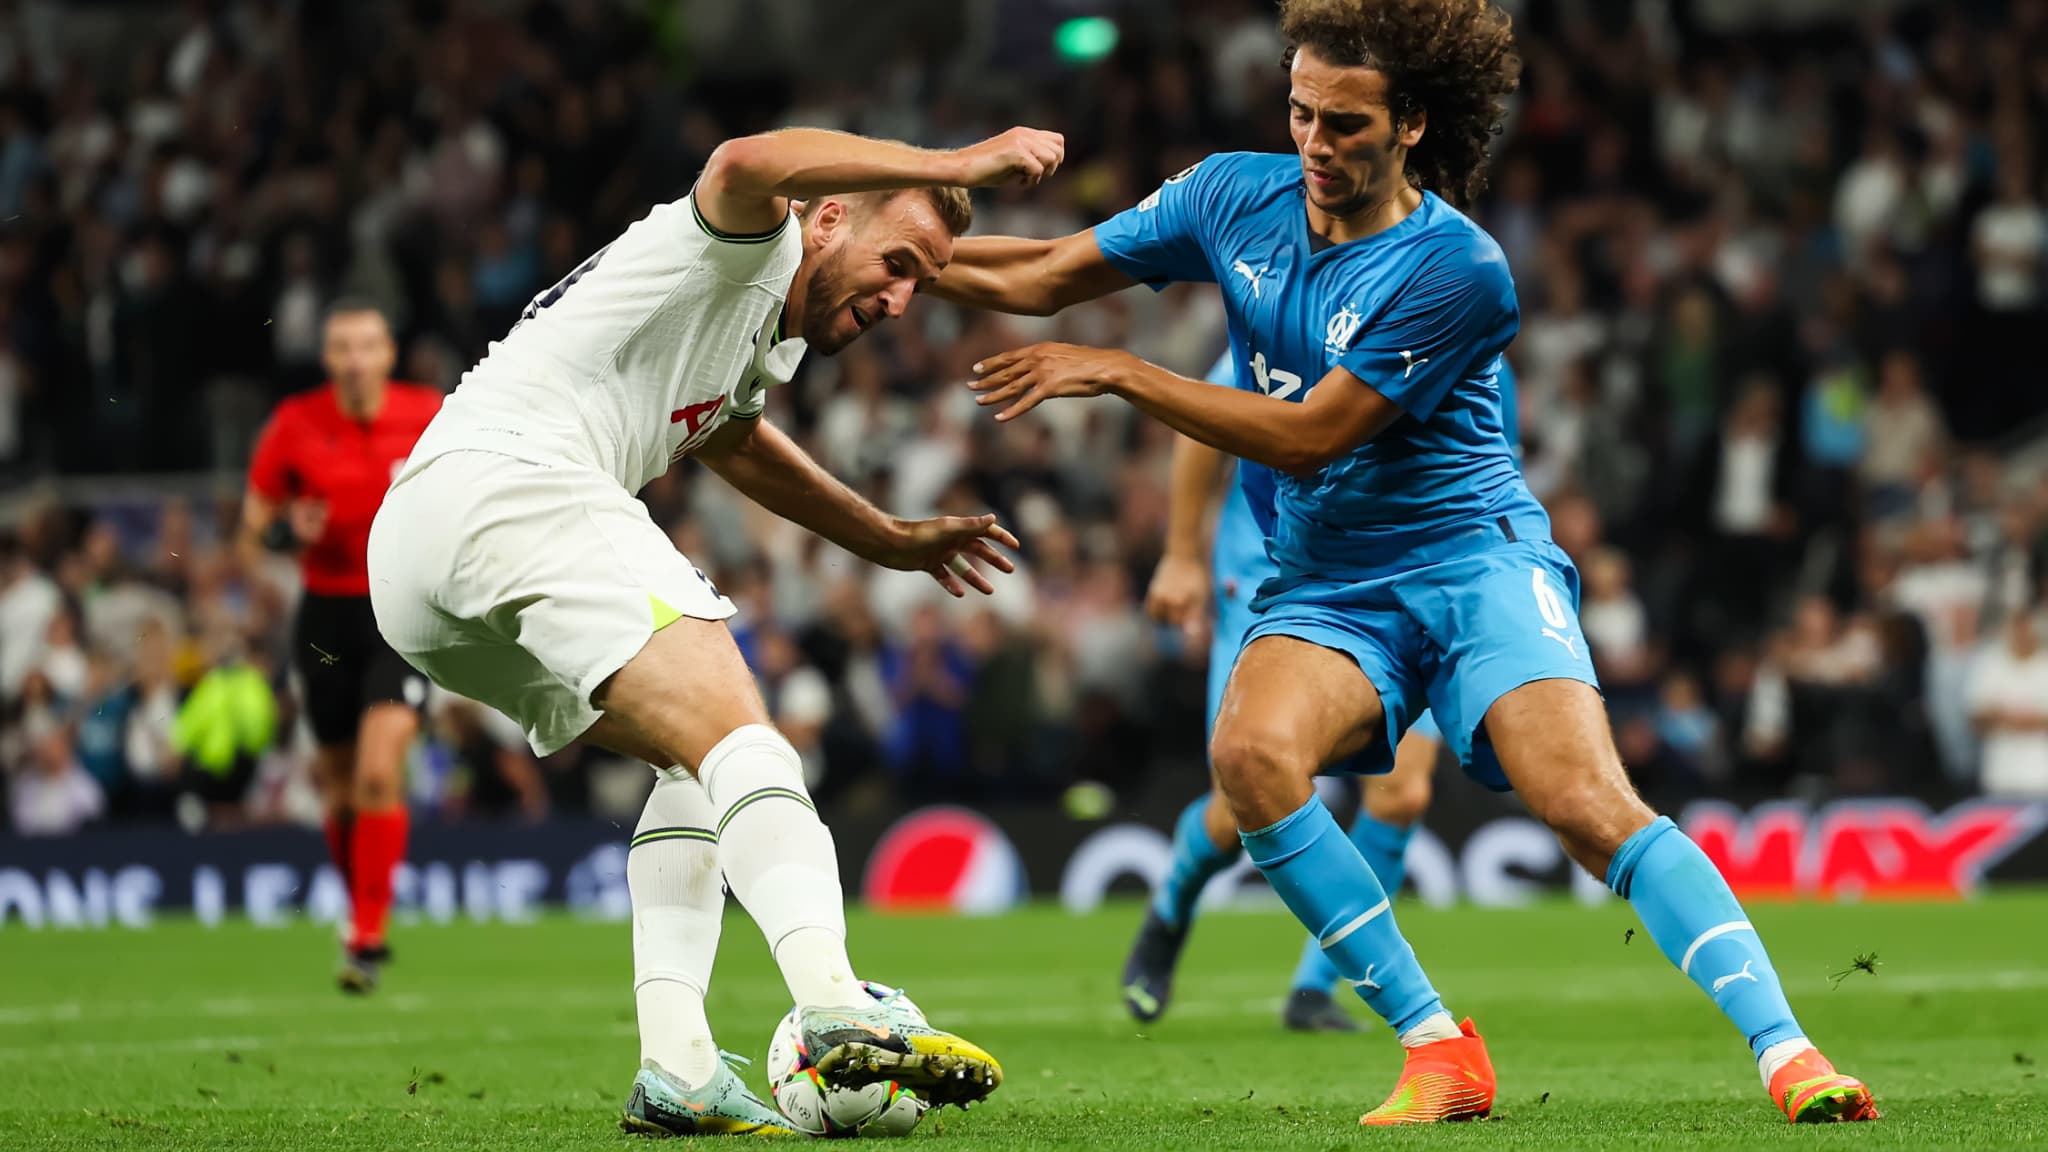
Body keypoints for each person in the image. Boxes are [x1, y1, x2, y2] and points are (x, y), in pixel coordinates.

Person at [933, 0, 1876, 1127]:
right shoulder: (1229, 195)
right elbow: (1039, 269)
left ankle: (1788, 1053)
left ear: (1412, 124)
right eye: (1298, 113)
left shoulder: (1455, 269)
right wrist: (877, 255)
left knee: (1582, 804)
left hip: (1471, 562)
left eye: (1343, 123)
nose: (1314, 145)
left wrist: (1124, 374)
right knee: (1249, 757)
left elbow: (1311, 434)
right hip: (1328, 578)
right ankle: (1436, 1047)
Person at [367, 123, 1064, 1135]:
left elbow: (730, 437)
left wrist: (882, 538)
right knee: (748, 740)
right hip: (510, 485)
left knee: (694, 766)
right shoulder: (745, 235)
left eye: (922, 282)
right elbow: (741, 160)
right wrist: (953, 164)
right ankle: (833, 1005)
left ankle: (679, 1070)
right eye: (897, 263)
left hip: (421, 574)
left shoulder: (759, 328)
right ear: (826, 217)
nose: (901, 300)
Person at [1124, 351, 1516, 1033]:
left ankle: (1315, 987)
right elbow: (1199, 424)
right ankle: (1172, 905)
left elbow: (1484, 474)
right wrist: (1182, 552)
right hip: (1272, 574)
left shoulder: (1468, 324)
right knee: (1240, 798)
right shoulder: (1288, 306)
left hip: (1398, 584)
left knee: (1404, 790)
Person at [243, 301, 441, 993]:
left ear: (389, 353)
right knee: (337, 785)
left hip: (401, 613)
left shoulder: (430, 413)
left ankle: (367, 932)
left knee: (379, 771)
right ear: (326, 358)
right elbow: (253, 526)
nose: (355, 359)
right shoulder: (294, 425)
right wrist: (283, 532)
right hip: (325, 620)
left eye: (367, 345)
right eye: (341, 347)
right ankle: (362, 911)